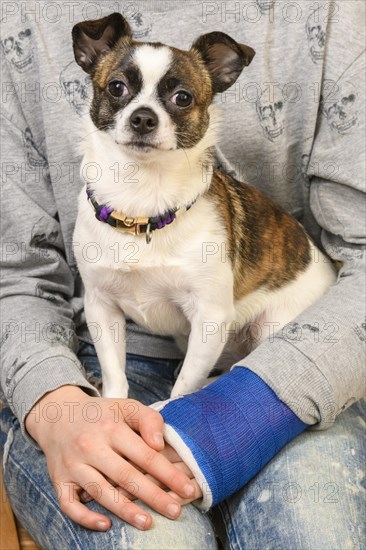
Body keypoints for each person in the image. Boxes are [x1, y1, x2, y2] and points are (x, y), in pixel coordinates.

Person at [1, 1, 365, 548]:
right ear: (92, 64)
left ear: (212, 91)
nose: (146, 114)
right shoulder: (24, 16)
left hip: (291, 352)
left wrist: (208, 413)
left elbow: (219, 314)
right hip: (84, 368)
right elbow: (19, 275)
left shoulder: (335, 13)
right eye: (121, 90)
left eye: (178, 99)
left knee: (308, 530)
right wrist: (74, 402)